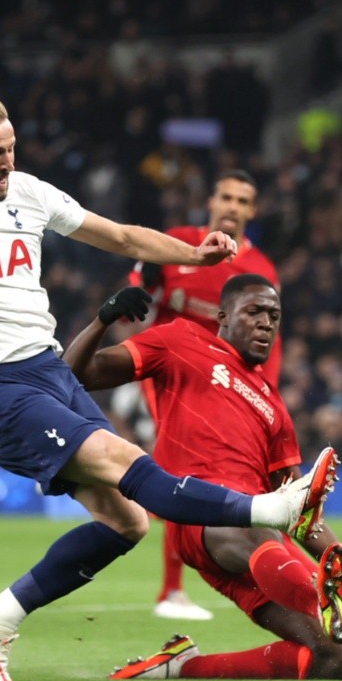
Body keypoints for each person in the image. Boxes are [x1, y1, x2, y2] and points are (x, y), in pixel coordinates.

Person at [0, 89, 336, 681]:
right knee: (125, 459)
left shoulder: (28, 193)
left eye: (12, 149)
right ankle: (270, 509)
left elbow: (123, 238)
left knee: (128, 521)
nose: (8, 163)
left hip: (49, 372)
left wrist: (195, 256)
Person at [63, 275, 342, 680]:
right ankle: (316, 591)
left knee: (341, 657)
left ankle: (182, 665)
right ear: (223, 316)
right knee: (256, 527)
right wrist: (103, 320)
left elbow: (303, 517)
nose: (267, 323)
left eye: (274, 316)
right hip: (199, 516)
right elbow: (74, 373)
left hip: (261, 550)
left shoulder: (273, 407)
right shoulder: (180, 340)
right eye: (255, 312)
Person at [131, 169, 280, 621]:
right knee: (182, 467)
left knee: (195, 476)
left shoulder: (262, 271)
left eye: (242, 200)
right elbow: (142, 281)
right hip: (168, 374)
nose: (232, 206)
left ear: (252, 212)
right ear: (211, 202)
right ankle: (171, 591)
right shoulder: (178, 244)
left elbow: (269, 340)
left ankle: (119, 488)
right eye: (226, 196)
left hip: (224, 387)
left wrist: (267, 396)